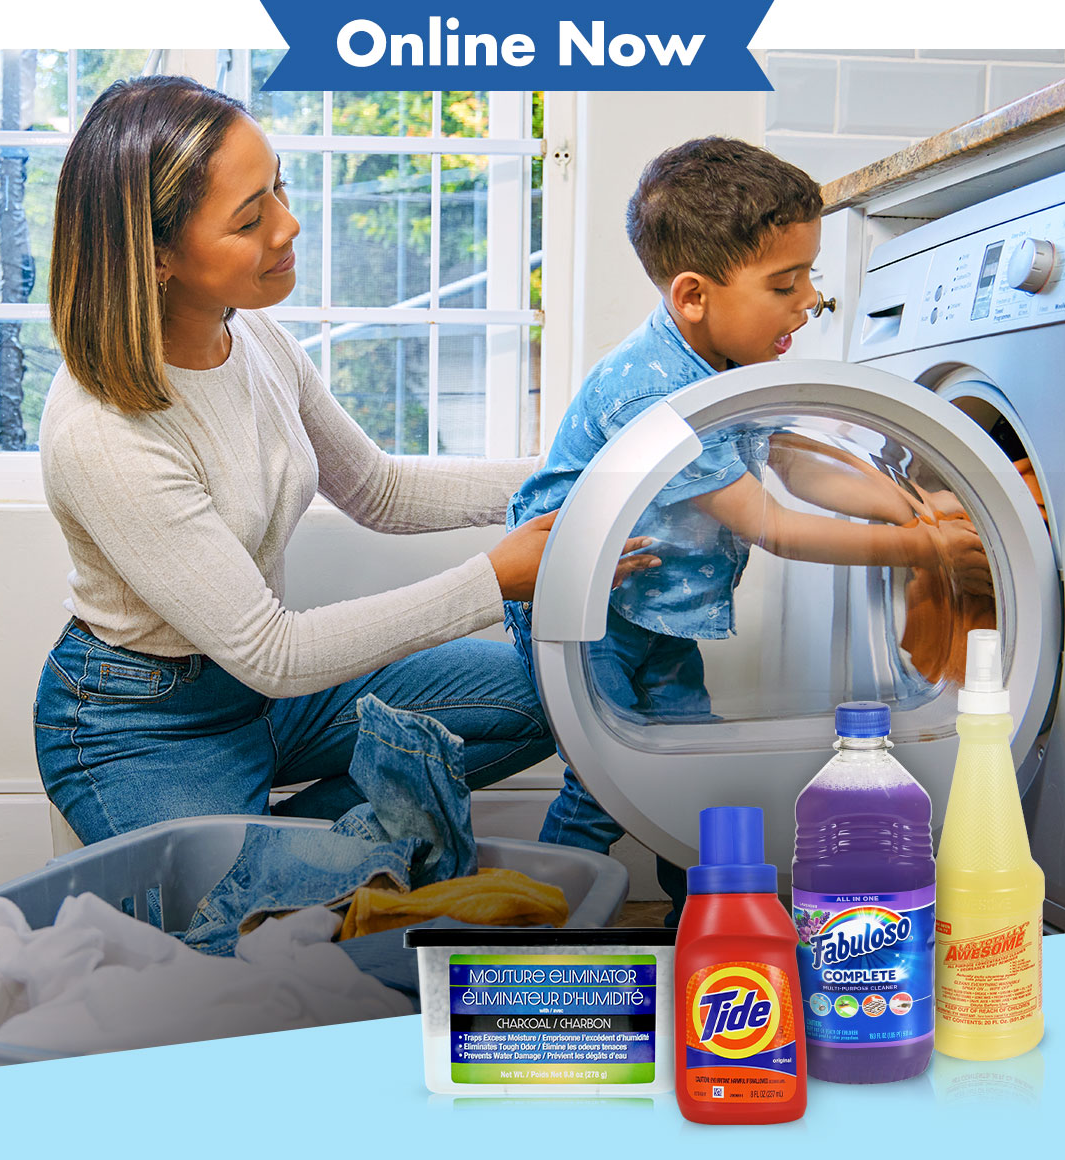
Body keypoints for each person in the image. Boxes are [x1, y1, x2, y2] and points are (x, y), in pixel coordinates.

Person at [33, 75, 659, 845]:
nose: (289, 227)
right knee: (237, 949)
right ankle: (283, 863)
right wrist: (494, 581)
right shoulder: (104, 433)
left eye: (279, 189)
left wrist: (588, 474)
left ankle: (302, 855)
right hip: (143, 722)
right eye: (250, 218)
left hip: (271, 696)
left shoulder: (255, 340)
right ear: (158, 255)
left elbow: (379, 490)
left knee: (560, 698)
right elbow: (275, 650)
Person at [505, 138, 990, 920]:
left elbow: (796, 463)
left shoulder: (730, 364)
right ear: (694, 295)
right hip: (581, 608)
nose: (809, 302)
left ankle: (698, 922)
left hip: (649, 604)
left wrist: (908, 504)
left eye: (810, 278)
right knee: (604, 784)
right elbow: (770, 521)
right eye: (785, 283)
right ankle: (543, 930)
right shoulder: (653, 391)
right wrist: (919, 545)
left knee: (691, 767)